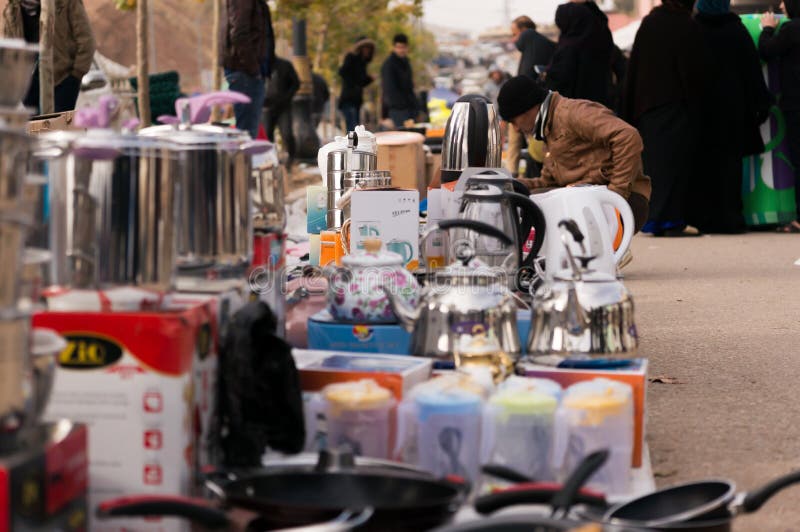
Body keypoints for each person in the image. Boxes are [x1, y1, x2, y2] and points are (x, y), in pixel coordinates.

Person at [497, 75, 651, 232]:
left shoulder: (572, 113)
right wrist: (512, 186)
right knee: (526, 202)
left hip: (625, 200)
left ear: (528, 108)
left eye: (513, 121)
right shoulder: (549, 129)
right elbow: (548, 184)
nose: (515, 128)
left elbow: (628, 136)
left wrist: (615, 194)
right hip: (589, 199)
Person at [623, 0, 706, 237]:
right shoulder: (686, 25)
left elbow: (635, 67)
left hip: (647, 108)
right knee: (676, 166)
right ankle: (671, 220)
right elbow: (692, 72)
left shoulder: (649, 23)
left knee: (655, 166)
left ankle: (654, 219)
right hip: (677, 106)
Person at [690, 0, 772, 234]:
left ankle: (704, 217)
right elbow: (752, 70)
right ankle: (730, 217)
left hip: (701, 110)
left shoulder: (693, 29)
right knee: (730, 165)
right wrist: (761, 104)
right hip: (732, 110)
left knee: (703, 164)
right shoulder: (736, 31)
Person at [3, 0, 95, 113]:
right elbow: (8, 48)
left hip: (62, 79)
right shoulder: (12, 7)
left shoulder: (67, 3)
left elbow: (86, 41)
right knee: (33, 128)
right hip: (28, 81)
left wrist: (76, 75)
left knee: (55, 127)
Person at [760, 0, 800, 233]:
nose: (782, 5)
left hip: (796, 105)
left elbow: (766, 50)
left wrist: (767, 28)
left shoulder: (791, 29)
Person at [506, 15, 557, 177]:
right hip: (545, 105)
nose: (514, 40)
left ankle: (511, 173)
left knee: (515, 132)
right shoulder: (542, 46)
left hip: (535, 109)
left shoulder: (531, 43)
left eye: (515, 34)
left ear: (524, 31)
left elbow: (525, 80)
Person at [222, 0, 275, 138]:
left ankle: (243, 160)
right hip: (245, 73)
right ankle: (241, 160)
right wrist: (253, 68)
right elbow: (239, 34)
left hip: (249, 73)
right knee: (246, 137)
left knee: (247, 134)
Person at [546, 2, 612, 105]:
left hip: (575, 109)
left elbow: (558, 81)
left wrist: (546, 76)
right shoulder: (599, 41)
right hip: (600, 105)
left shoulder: (568, 47)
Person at [263, 56, 299, 166]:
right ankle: (270, 160)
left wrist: (286, 98)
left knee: (287, 134)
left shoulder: (285, 65)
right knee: (267, 134)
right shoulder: (259, 66)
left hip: (283, 107)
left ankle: (291, 159)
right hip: (266, 107)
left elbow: (295, 84)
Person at [338, 36, 375, 133]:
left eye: (368, 48)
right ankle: (351, 148)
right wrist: (353, 83)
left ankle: (355, 147)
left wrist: (369, 79)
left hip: (357, 100)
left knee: (356, 129)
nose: (367, 50)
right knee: (352, 129)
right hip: (348, 99)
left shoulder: (363, 63)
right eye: (365, 48)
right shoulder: (351, 57)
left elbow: (361, 82)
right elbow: (342, 72)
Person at [380, 33, 417, 128]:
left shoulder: (406, 63)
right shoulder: (389, 65)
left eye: (403, 47)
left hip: (408, 109)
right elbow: (388, 89)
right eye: (398, 47)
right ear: (394, 47)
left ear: (407, 47)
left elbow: (409, 87)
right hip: (396, 110)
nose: (401, 50)